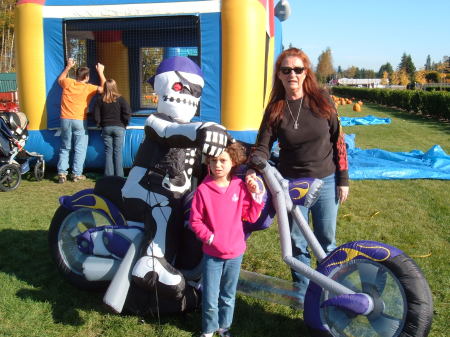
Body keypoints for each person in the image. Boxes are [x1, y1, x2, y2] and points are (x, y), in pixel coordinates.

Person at [247, 47, 349, 299]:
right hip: (292, 185)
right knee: (297, 243)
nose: (292, 74)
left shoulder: (323, 100)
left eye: (297, 69)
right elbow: (262, 146)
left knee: (326, 241)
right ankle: (305, 298)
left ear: (306, 73)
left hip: (326, 181)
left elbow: (339, 140)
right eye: (286, 70)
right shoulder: (275, 109)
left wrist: (342, 179)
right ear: (279, 76)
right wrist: (253, 166)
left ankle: (330, 295)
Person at [190, 142, 264, 337]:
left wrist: (256, 194)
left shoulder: (240, 187)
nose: (218, 165)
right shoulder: (203, 191)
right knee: (211, 295)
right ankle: (208, 329)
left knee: (228, 295)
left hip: (235, 252)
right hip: (212, 254)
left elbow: (251, 216)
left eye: (223, 160)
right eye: (213, 161)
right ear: (208, 163)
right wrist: (211, 238)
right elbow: (195, 221)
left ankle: (224, 327)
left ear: (233, 162)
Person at [57, 58, 106, 183]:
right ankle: (76, 174)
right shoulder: (89, 88)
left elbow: (60, 80)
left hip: (65, 119)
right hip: (79, 120)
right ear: (87, 77)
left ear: (76, 75)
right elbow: (105, 88)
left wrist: (68, 66)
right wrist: (101, 72)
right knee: (80, 147)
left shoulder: (68, 82)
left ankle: (62, 173)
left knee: (65, 147)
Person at [94, 79, 131, 177]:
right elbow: (127, 112)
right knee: (118, 152)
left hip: (106, 127)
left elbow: (96, 114)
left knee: (108, 152)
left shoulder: (100, 99)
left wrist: (99, 124)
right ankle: (119, 176)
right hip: (119, 127)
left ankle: (109, 176)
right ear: (115, 87)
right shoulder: (121, 99)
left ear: (105, 87)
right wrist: (125, 123)